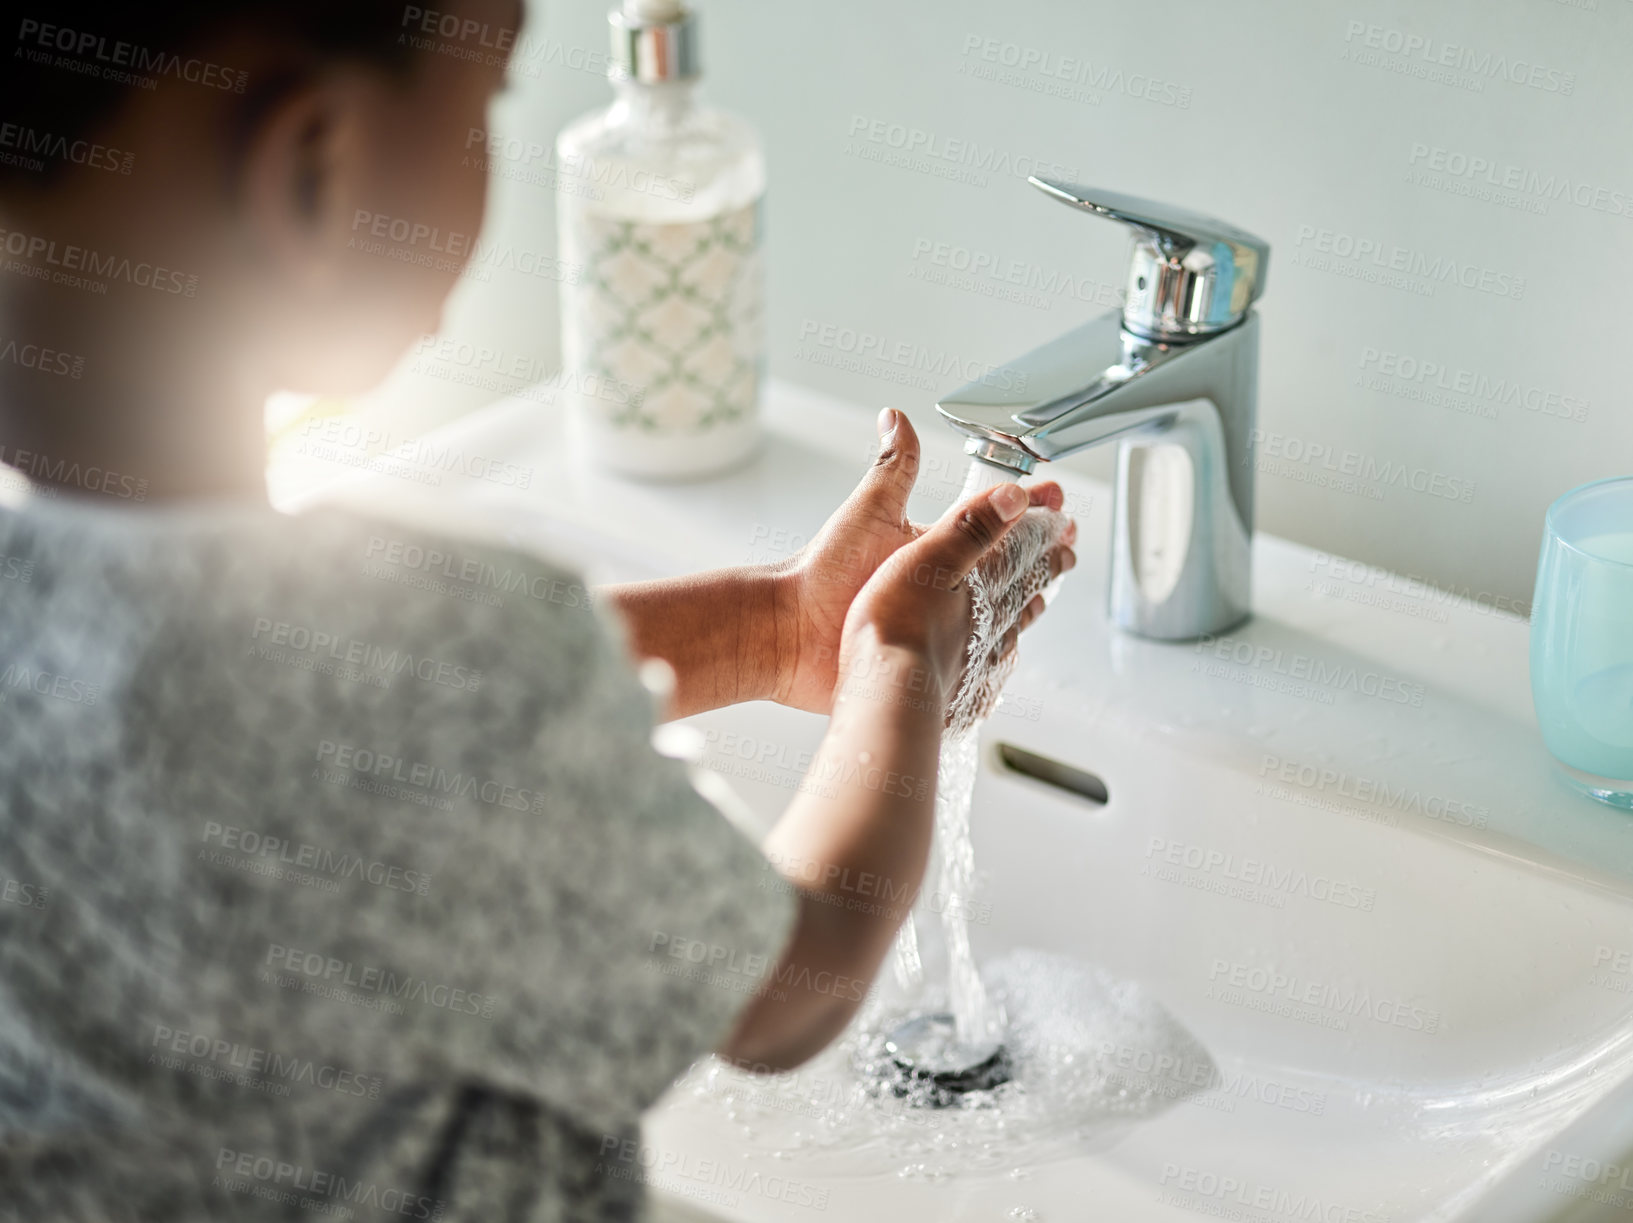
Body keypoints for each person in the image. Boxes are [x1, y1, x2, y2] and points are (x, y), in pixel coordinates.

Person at [0, 1, 1076, 1218]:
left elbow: (325, 717)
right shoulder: (435, 660)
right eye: (487, 97)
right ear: (314, 163)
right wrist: (901, 653)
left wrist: (769, 626)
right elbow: (791, 986)